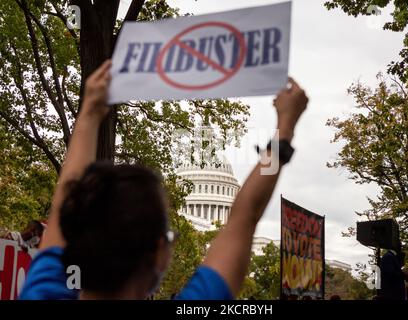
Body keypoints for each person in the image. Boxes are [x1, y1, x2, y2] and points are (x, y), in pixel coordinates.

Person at [19, 59, 309, 300]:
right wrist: (284, 128)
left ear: (75, 242)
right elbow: (246, 213)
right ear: (159, 252)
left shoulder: (43, 293)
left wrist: (90, 111)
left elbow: (65, 197)